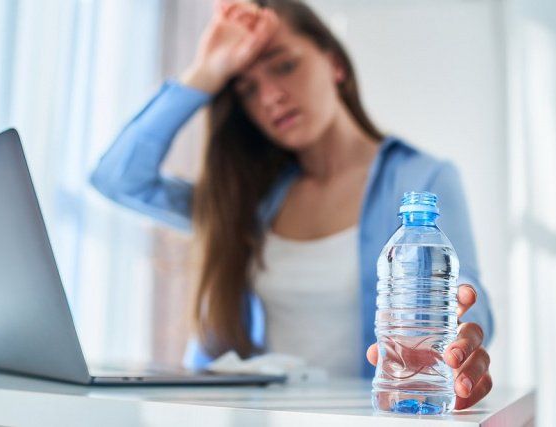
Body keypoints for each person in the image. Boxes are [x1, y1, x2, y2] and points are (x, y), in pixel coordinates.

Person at [90, 0, 494, 409]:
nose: (269, 97)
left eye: (284, 66)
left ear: (335, 64)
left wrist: (458, 336)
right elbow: (118, 179)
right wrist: (206, 72)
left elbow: (466, 293)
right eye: (247, 89)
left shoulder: (420, 180)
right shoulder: (250, 199)